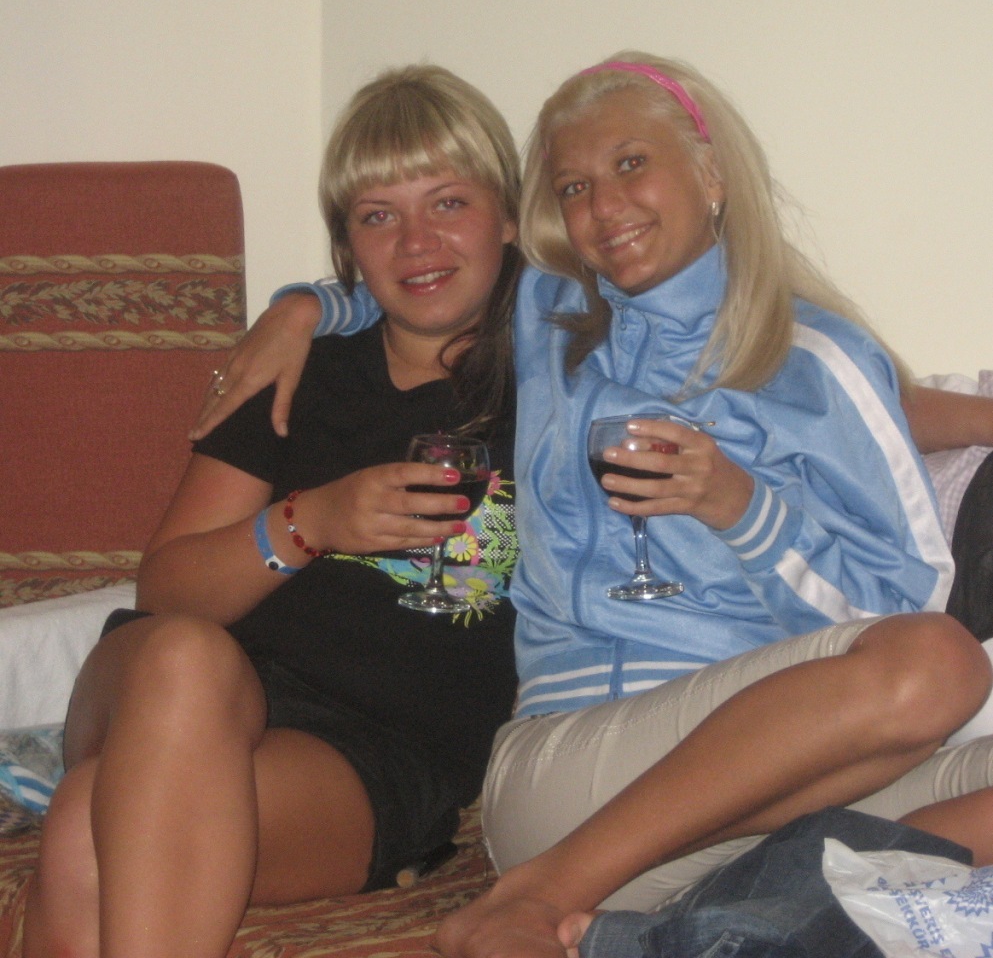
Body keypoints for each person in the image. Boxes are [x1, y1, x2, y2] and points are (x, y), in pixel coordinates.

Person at [195, 54, 993, 958]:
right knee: (933, 664)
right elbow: (415, 274)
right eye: (574, 187)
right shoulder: (550, 312)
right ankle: (539, 896)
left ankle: (701, 923)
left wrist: (742, 509)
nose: (604, 206)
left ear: (710, 171)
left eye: (629, 164)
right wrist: (300, 307)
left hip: (755, 777)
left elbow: (898, 597)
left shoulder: (819, 358)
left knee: (934, 670)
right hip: (574, 766)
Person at [22, 64, 522, 958]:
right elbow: (167, 591)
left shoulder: (556, 382)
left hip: (373, 755)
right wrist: (310, 523)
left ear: (509, 218)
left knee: (89, 825)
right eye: (378, 216)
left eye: (448, 203)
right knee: (186, 658)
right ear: (348, 245)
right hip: (168, 682)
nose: (416, 242)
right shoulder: (300, 371)